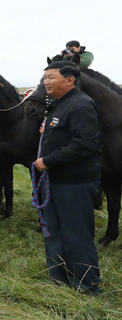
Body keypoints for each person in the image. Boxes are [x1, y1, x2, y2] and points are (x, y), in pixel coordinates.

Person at [33, 61, 102, 294]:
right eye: (45, 78)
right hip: (54, 181)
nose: (46, 82)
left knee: (77, 234)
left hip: (75, 183)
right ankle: (59, 279)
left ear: (70, 80)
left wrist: (47, 161)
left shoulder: (81, 105)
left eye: (51, 77)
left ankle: (87, 285)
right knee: (52, 231)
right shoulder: (59, 105)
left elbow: (85, 144)